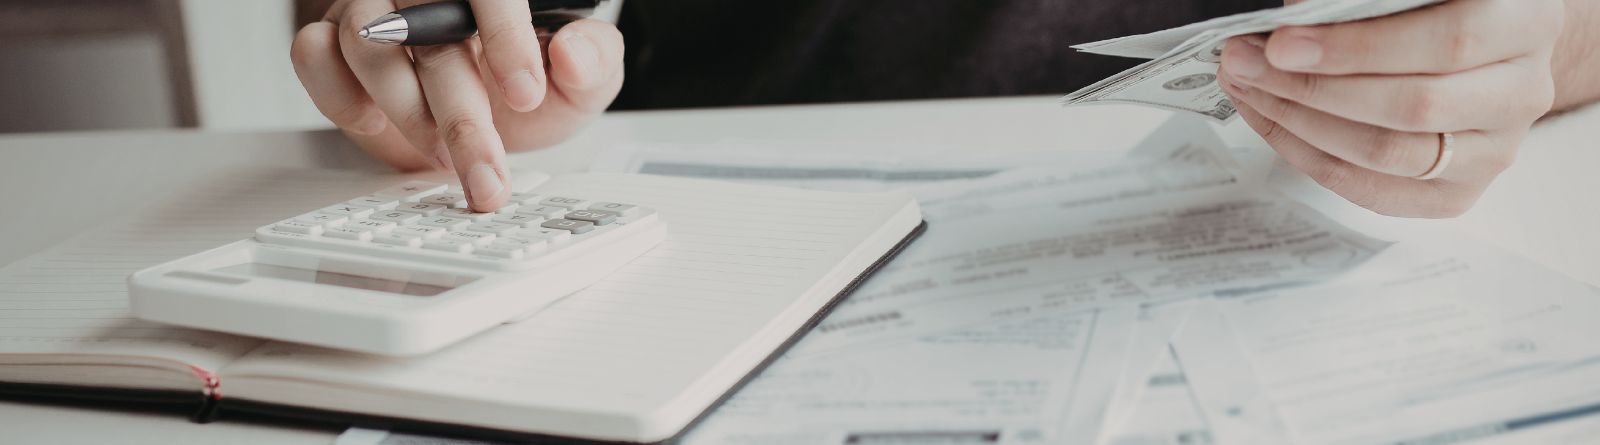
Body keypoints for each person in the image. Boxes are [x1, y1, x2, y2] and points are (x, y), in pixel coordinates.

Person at [291, 0, 1600, 217]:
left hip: (1275, 216)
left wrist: (1547, 44)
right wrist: (418, 62)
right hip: (674, 203)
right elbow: (389, 21)